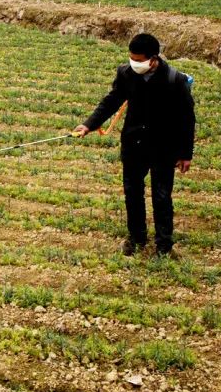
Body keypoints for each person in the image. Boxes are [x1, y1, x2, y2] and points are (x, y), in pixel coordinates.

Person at [73, 33, 195, 257]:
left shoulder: (174, 80)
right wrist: (89, 124)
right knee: (132, 193)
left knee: (161, 196)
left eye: (139, 60)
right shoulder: (126, 74)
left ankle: (164, 246)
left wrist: (185, 153)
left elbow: (187, 119)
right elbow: (111, 101)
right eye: (131, 59)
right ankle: (136, 238)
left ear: (153, 59)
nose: (134, 63)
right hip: (133, 145)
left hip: (163, 147)